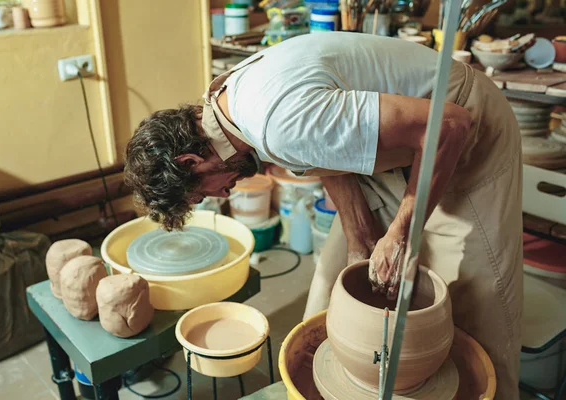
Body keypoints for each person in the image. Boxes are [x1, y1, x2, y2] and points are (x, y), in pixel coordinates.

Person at [124, 32, 522, 398]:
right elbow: (324, 154)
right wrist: (358, 235)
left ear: (191, 160)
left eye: (200, 195)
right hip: (399, 149)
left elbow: (449, 126)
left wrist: (401, 232)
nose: (221, 195)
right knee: (331, 290)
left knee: (471, 312)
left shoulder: (278, 121)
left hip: (465, 135)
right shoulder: (227, 110)